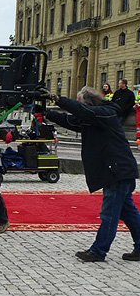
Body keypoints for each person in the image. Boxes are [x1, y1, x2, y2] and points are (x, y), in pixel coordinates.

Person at [44, 86, 140, 262]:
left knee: (109, 214)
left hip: (117, 171)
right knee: (129, 213)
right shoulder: (95, 117)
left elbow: (81, 111)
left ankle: (98, 251)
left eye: (81, 104)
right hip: (119, 170)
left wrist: (57, 99)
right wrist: (46, 113)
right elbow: (69, 120)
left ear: (88, 103)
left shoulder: (105, 113)